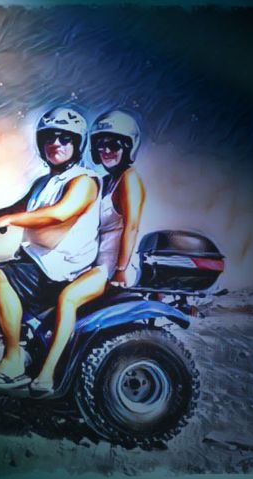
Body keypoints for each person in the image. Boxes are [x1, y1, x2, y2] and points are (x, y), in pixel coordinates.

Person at [0, 106, 102, 389]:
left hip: (60, 269)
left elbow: (59, 213)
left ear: (78, 143)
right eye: (49, 137)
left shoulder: (83, 181)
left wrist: (7, 220)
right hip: (40, 262)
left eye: (65, 138)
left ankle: (13, 360)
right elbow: (20, 208)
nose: (55, 143)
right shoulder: (44, 182)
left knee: (0, 275)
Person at [29, 110, 146, 397]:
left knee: (68, 298)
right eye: (101, 144)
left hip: (113, 267)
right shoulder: (106, 181)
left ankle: (47, 374)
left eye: (114, 144)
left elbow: (131, 226)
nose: (106, 150)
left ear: (128, 147)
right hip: (96, 265)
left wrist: (120, 270)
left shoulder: (129, 179)